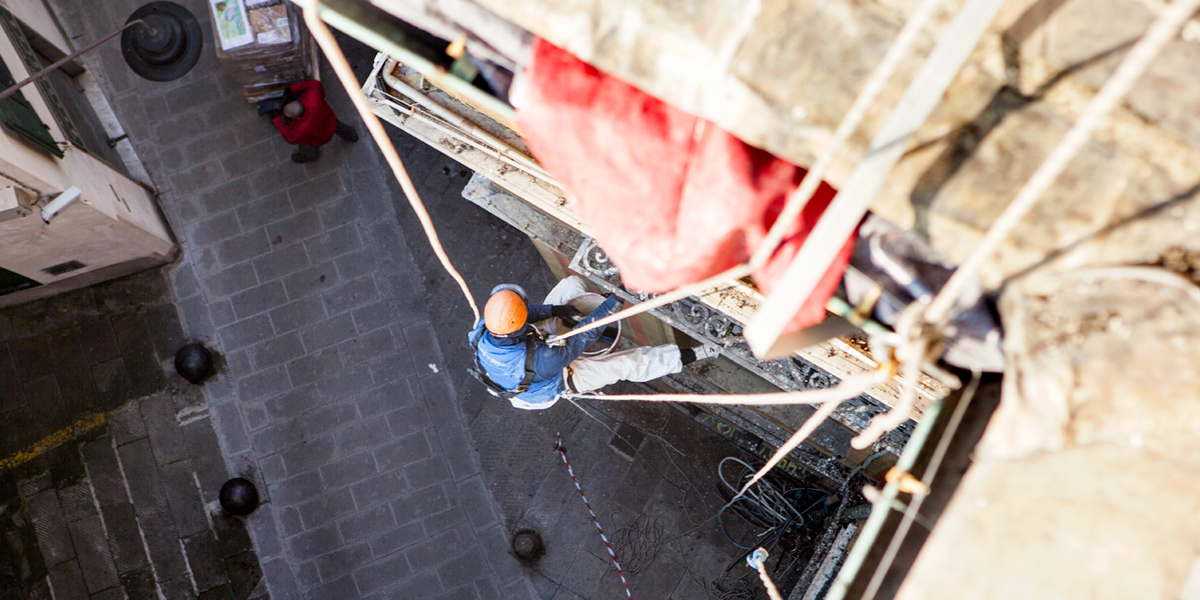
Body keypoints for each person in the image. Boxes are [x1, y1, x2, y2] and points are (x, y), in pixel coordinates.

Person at [468, 276, 720, 410]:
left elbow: (528, 312)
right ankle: (692, 355)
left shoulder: (486, 326)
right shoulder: (545, 360)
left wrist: (558, 310)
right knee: (625, 364)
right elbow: (585, 335)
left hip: (527, 358)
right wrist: (617, 301)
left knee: (572, 285)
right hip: (551, 382)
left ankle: (604, 317)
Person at [272, 80, 358, 164]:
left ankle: (308, 157)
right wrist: (293, 88)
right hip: (330, 121)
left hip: (319, 138)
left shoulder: (300, 129)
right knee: (341, 128)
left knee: (307, 148)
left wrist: (278, 121)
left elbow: (291, 139)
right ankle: (352, 136)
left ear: (297, 117)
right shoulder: (313, 99)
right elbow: (315, 84)